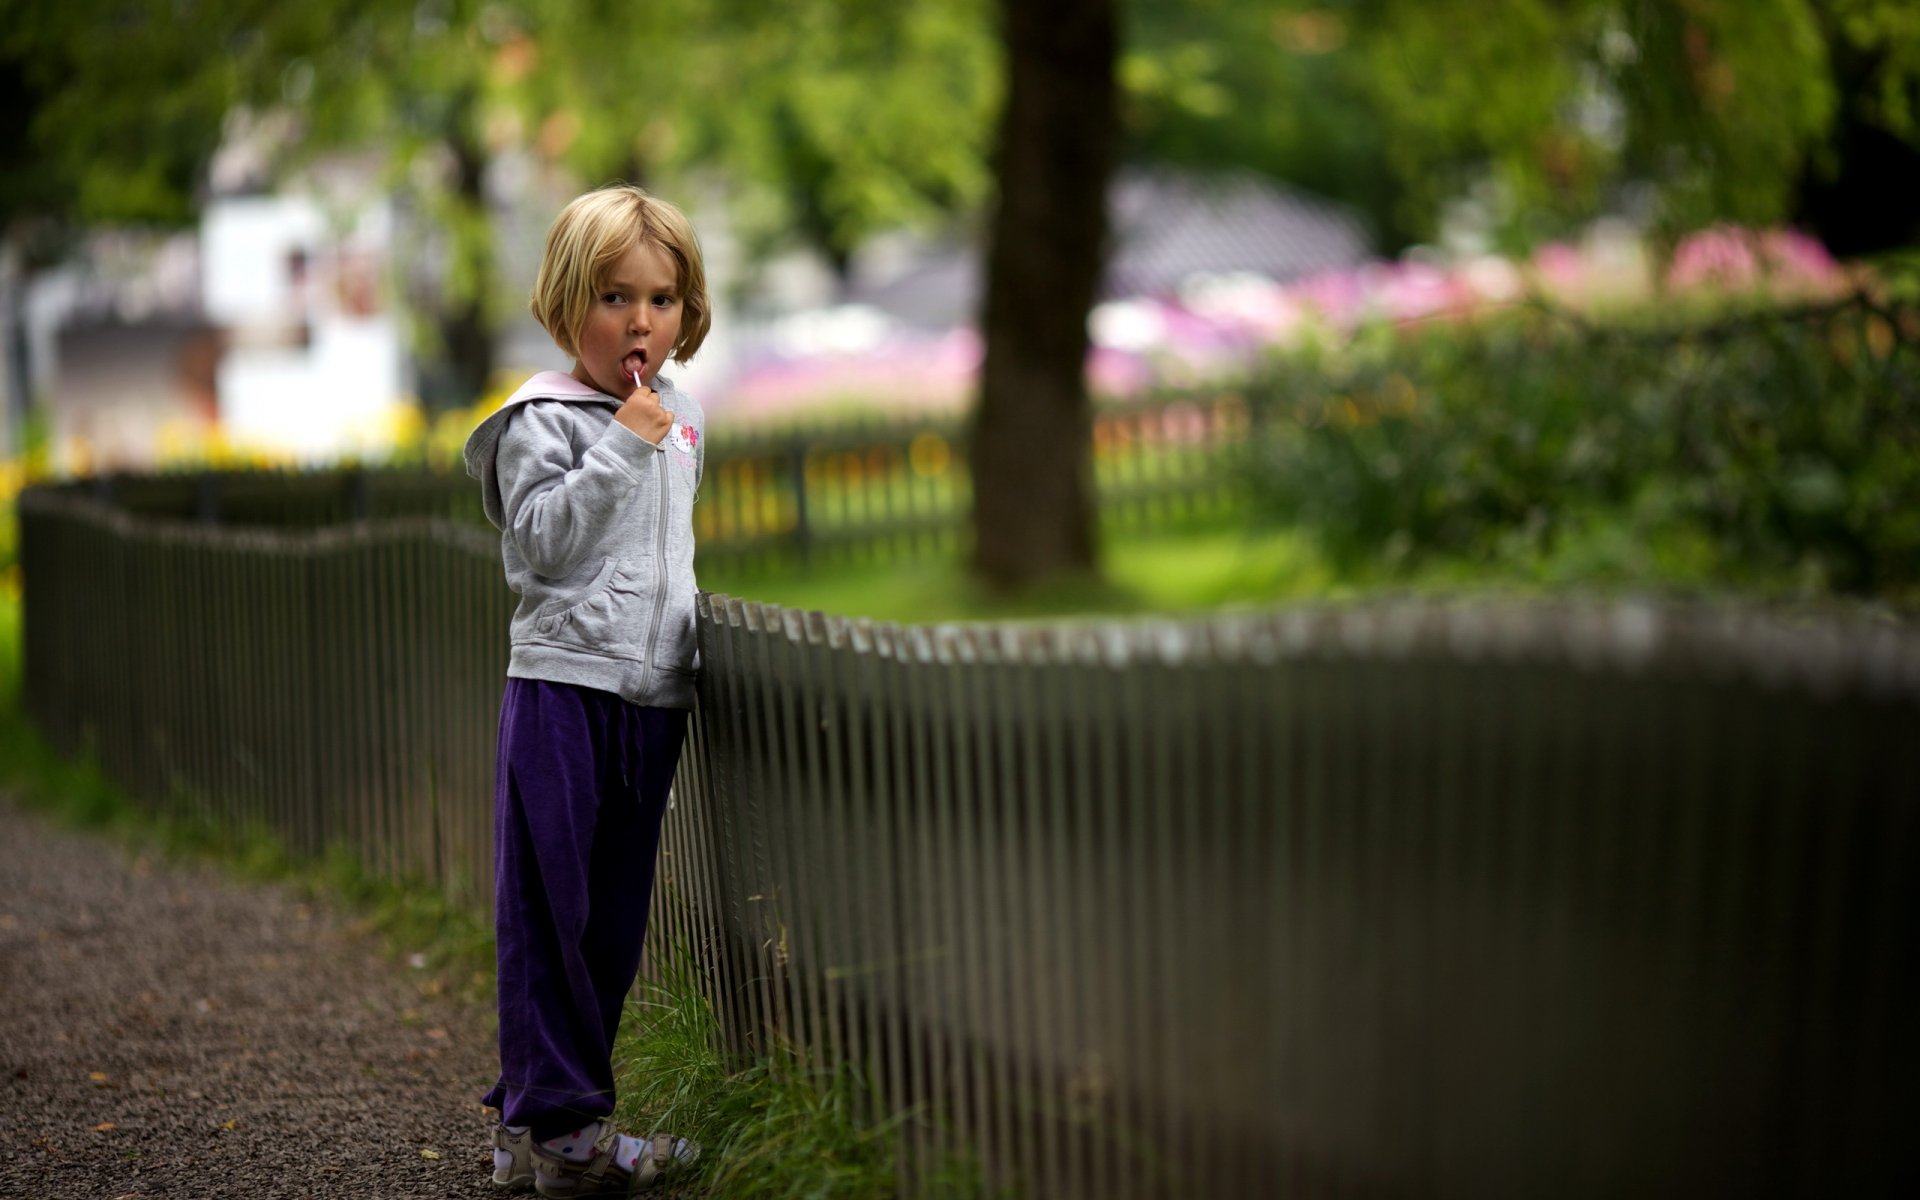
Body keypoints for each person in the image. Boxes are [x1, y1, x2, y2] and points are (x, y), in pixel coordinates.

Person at [462, 183, 710, 1196]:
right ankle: (561, 1131)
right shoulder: (545, 422)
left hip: (649, 698)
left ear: (687, 313)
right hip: (564, 688)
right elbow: (539, 548)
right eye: (614, 297)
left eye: (661, 298)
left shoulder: (683, 417)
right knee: (547, 907)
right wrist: (620, 445)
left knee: (612, 919)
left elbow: (668, 552)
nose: (639, 320)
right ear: (568, 307)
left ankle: (549, 1120)